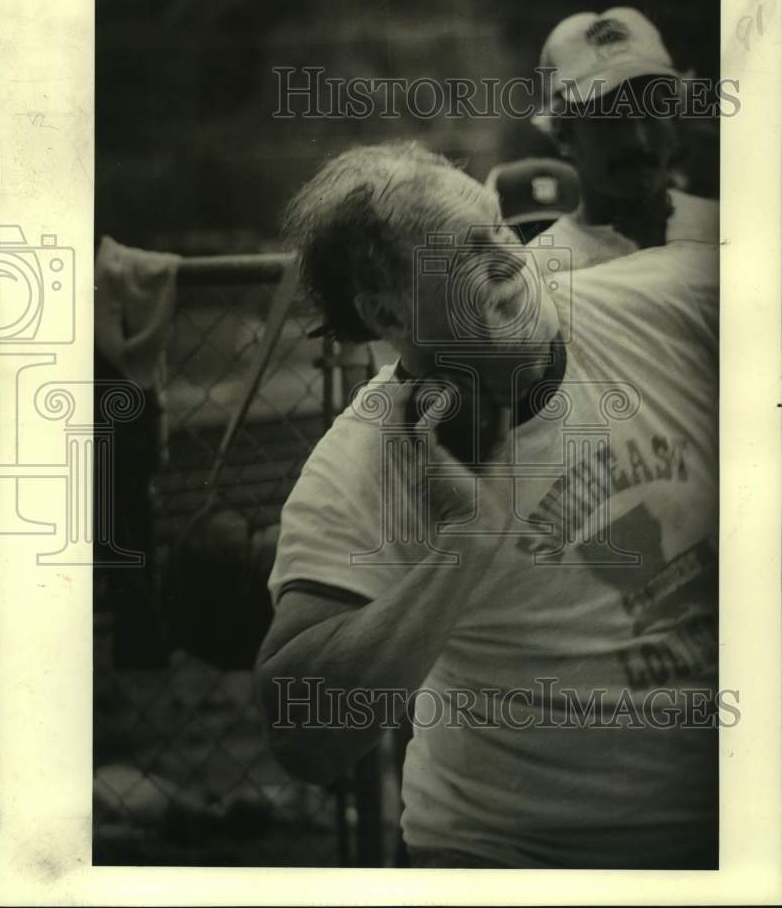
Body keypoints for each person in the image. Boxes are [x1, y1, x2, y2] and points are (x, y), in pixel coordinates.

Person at [255, 142, 719, 869]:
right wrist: (466, 543)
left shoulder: (662, 304)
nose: (509, 259)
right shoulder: (373, 457)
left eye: (498, 229)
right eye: (464, 252)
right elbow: (302, 734)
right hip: (514, 861)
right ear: (390, 312)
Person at [528, 7, 718, 269]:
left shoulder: (724, 230)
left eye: (654, 110)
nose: (638, 141)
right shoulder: (540, 272)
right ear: (563, 134)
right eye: (610, 119)